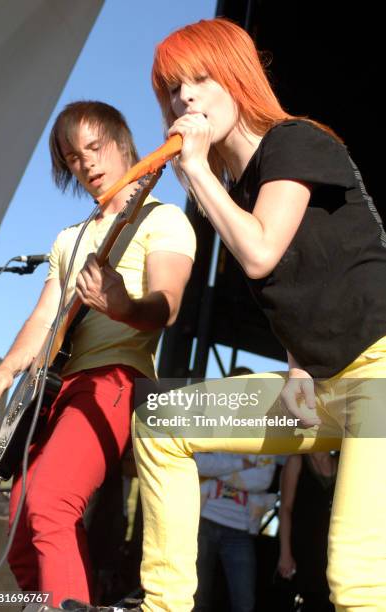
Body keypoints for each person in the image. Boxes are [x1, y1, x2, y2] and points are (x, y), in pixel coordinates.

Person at [130, 17, 386, 612]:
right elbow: (307, 283)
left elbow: (262, 251)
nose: (184, 97)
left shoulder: (295, 140)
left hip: (378, 373)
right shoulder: (240, 190)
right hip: (321, 388)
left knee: (355, 581)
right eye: (172, 87)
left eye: (200, 77)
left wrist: (195, 172)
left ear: (238, 76)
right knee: (161, 420)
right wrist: (299, 364)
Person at [0, 100, 196, 607]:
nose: (88, 163)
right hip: (52, 391)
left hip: (113, 381)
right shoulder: (69, 238)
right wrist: (8, 368)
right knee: (21, 531)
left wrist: (122, 305)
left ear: (124, 144)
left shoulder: (163, 221)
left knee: (51, 503)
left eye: (95, 148)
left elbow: (166, 305)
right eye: (74, 157)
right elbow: (42, 317)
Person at [194, 452, 275, 612]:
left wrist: (217, 469)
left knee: (245, 603)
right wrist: (241, 465)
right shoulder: (212, 429)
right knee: (196, 598)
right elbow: (197, 463)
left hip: (240, 530)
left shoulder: (263, 440)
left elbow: (263, 480)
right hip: (203, 521)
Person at [278, 452, 338, 612]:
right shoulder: (297, 460)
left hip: (329, 553)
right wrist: (285, 553)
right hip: (300, 549)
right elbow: (285, 508)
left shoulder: (341, 462)